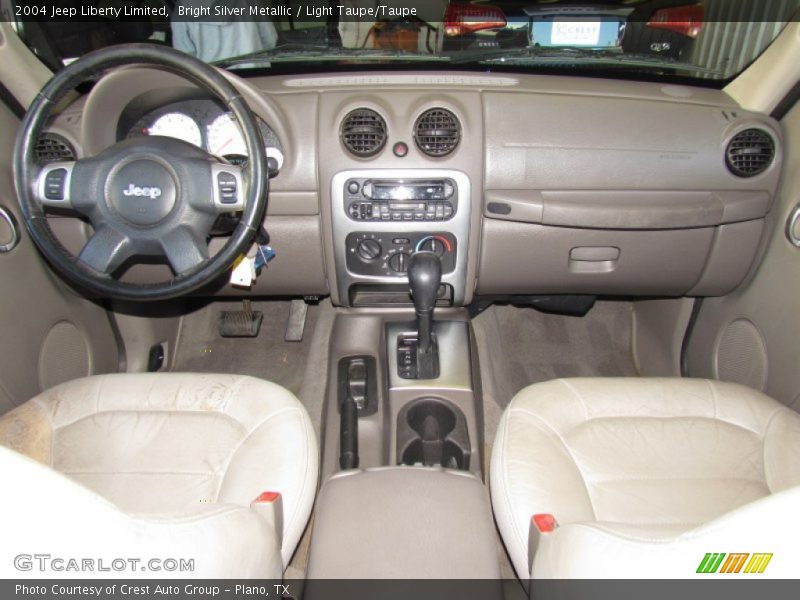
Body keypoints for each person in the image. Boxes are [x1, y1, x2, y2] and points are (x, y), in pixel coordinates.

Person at [171, 0, 277, 63]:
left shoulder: (181, 10)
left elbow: (184, 58)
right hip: (256, 75)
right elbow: (270, 39)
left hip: (215, 82)